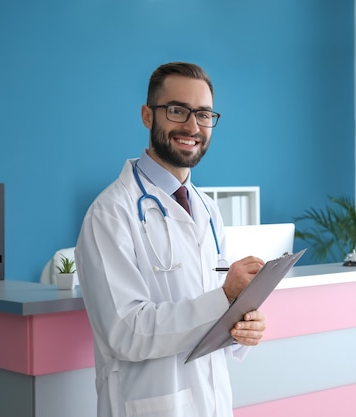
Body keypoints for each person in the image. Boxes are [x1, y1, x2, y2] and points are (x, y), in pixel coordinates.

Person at [75, 62, 267, 417]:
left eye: (204, 114)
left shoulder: (209, 210)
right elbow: (125, 331)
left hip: (212, 403)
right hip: (149, 405)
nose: (193, 126)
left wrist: (241, 327)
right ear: (148, 116)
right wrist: (224, 297)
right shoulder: (110, 213)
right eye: (178, 110)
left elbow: (211, 308)